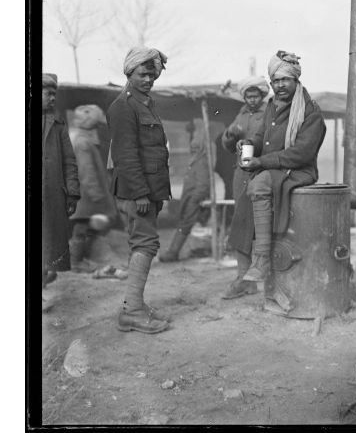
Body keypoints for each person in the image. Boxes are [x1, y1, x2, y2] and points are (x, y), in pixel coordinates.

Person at [226, 50, 326, 288]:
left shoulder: (309, 110)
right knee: (246, 197)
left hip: (297, 171)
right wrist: (249, 144)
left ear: (296, 80)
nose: (280, 85)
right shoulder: (272, 106)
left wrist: (262, 162)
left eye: (285, 80)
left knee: (258, 183)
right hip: (275, 170)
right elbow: (262, 138)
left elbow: (302, 153)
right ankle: (244, 276)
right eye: (276, 80)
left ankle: (261, 261)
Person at [107, 46, 172, 334]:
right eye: (142, 74)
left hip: (150, 190)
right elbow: (126, 155)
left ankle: (134, 305)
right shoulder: (123, 106)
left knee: (141, 243)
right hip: (139, 192)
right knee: (145, 244)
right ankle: (132, 311)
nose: (148, 79)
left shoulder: (144, 104)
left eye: (152, 75)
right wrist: (141, 193)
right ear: (129, 73)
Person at [220, 76, 270, 299]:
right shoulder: (241, 113)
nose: (251, 100)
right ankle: (244, 278)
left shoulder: (270, 113)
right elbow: (228, 144)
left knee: (263, 222)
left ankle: (266, 275)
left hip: (262, 171)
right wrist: (231, 137)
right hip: (241, 174)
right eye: (248, 96)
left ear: (262, 96)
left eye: (255, 96)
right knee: (240, 221)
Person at [42, 73, 80, 308]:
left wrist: (73, 193)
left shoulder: (57, 126)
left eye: (55, 94)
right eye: (48, 93)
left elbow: (70, 162)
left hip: (52, 196)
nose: (53, 98)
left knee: (49, 242)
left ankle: (41, 286)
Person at [68, 105, 119, 273]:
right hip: (87, 195)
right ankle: (76, 262)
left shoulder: (82, 138)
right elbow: (86, 171)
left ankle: (83, 258)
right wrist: (97, 195)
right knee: (81, 228)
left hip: (86, 193)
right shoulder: (82, 142)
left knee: (86, 227)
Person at [159, 128, 215, 262]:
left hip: (194, 201)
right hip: (190, 200)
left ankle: (173, 253)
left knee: (186, 226)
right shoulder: (195, 161)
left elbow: (203, 186)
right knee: (185, 225)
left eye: (196, 147)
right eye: (192, 147)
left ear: (202, 147)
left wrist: (194, 200)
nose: (193, 149)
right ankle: (176, 251)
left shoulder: (201, 162)